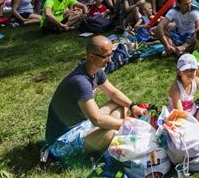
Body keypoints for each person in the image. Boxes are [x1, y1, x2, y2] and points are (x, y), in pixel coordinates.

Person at [44, 36, 147, 166]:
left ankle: (110, 136)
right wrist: (128, 124)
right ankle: (108, 142)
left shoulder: (95, 71)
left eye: (111, 54)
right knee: (112, 134)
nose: (110, 59)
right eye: (106, 56)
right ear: (92, 56)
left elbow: (113, 93)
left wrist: (133, 106)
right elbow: (97, 120)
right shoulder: (81, 82)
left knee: (119, 103)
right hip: (61, 140)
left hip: (81, 123)